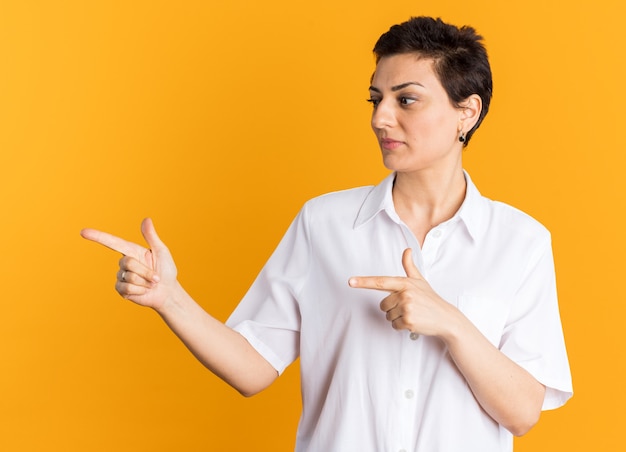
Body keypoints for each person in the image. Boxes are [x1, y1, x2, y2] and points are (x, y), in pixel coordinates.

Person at [81, 16, 572, 452]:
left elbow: (523, 412)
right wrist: (169, 297)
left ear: (467, 111)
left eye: (407, 100)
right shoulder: (324, 223)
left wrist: (451, 323)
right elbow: (253, 368)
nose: (381, 118)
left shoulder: (521, 241)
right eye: (376, 99)